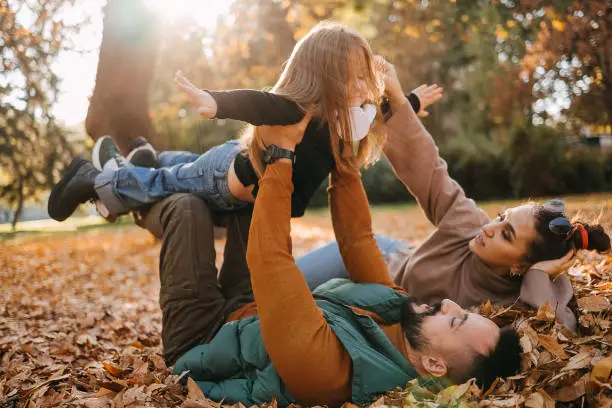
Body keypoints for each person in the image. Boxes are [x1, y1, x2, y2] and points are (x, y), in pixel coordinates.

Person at [137, 112, 522, 407]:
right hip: (250, 308)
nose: (451, 303)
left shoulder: (329, 373)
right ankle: (144, 174)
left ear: (436, 365)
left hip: (201, 338)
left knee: (188, 210)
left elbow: (271, 261)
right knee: (244, 195)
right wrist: (346, 159)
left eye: (455, 319)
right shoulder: (396, 313)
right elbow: (357, 241)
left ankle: (133, 199)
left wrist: (282, 156)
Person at [297, 58, 611, 331]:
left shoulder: (514, 301)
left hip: (377, 298)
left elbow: (563, 330)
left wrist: (540, 275)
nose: (489, 228)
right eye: (501, 217)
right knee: (271, 290)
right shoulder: (470, 223)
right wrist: (394, 95)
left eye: (506, 234)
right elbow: (430, 171)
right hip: (382, 257)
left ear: (520, 267)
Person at [46, 22, 442, 222]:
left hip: (229, 171)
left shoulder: (344, 123)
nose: (362, 86)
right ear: (325, 78)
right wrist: (213, 101)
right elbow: (259, 104)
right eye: (353, 76)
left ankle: (151, 157)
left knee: (180, 166)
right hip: (228, 179)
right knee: (169, 183)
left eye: (363, 76)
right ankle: (93, 179)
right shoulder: (298, 112)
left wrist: (405, 98)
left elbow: (374, 117)